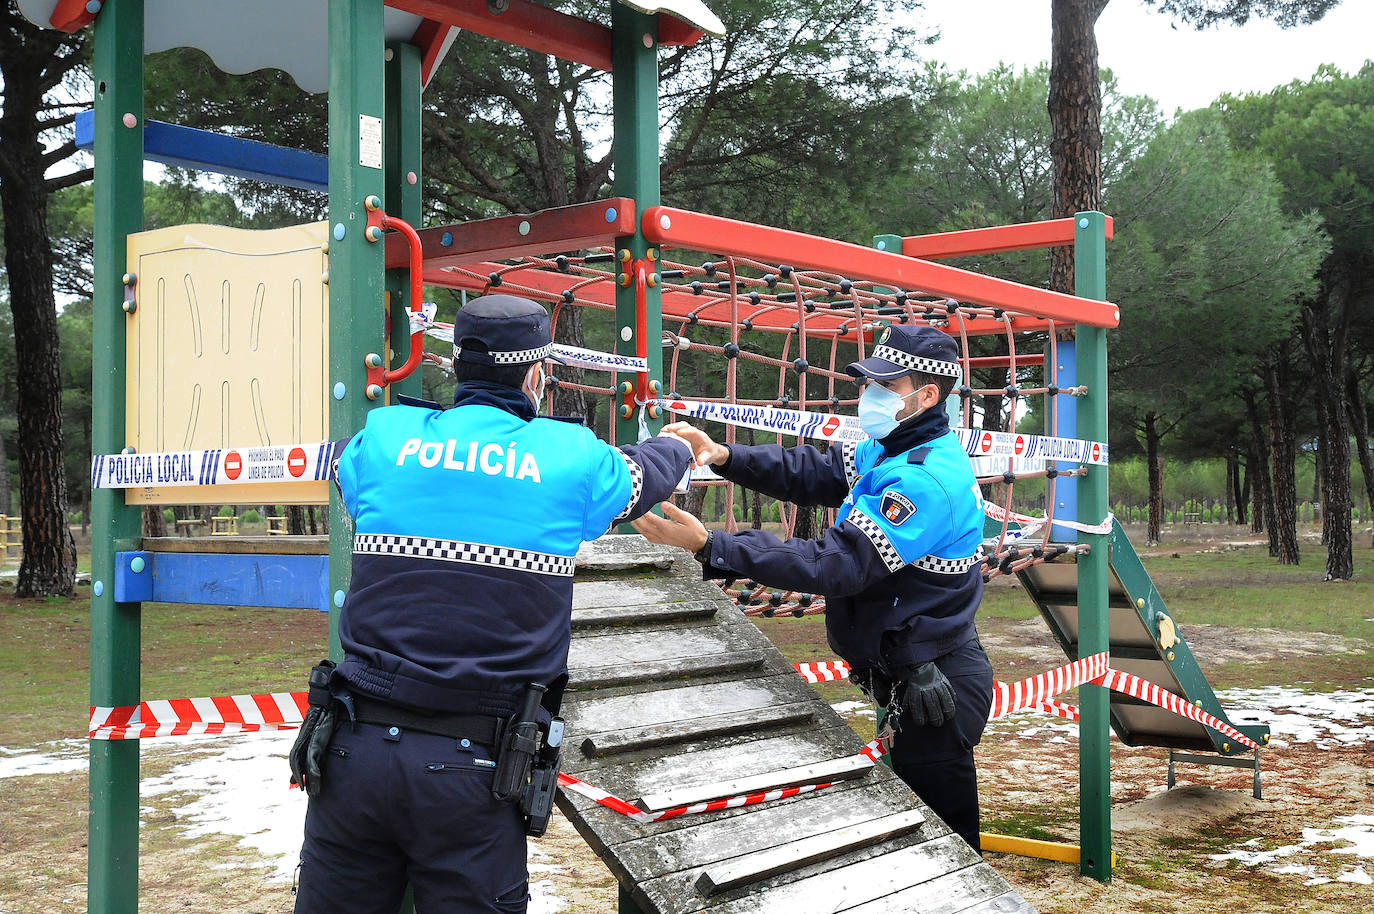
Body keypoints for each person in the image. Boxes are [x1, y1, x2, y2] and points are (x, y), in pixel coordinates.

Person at [290, 294, 692, 914]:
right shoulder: (571, 458)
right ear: (536, 373)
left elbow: (348, 471)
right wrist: (681, 446)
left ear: (457, 366)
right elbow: (646, 476)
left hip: (353, 750)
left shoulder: (385, 438)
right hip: (473, 766)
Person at [632, 324, 994, 852]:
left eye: (884, 386)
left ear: (927, 395)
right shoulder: (888, 448)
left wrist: (715, 546)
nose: (868, 396)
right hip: (911, 670)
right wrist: (724, 455)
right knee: (914, 838)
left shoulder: (923, 479)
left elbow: (838, 564)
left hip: (937, 686)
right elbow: (814, 471)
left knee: (948, 848)